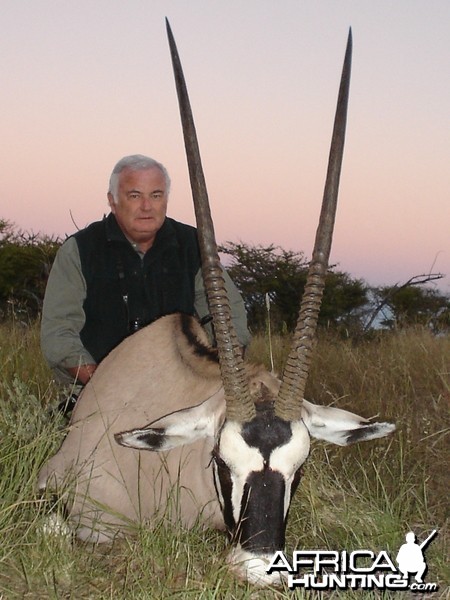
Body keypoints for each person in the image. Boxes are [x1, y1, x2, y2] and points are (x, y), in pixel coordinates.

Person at [41, 154, 251, 390]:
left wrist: (217, 379)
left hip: (183, 391)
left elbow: (229, 316)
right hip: (100, 390)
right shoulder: (80, 250)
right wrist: (101, 386)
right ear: (113, 200)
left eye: (156, 195)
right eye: (134, 195)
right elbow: (58, 332)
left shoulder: (194, 245)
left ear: (166, 199)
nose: (146, 206)